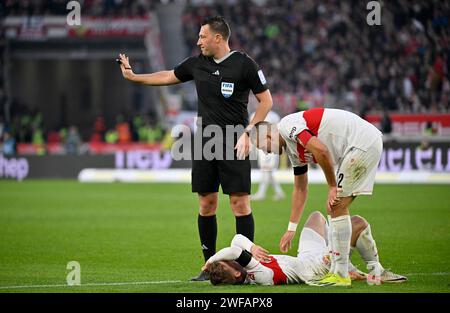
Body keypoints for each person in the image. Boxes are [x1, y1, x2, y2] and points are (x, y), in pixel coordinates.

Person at [118, 16, 273, 281]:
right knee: (206, 204)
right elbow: (168, 75)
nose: (198, 41)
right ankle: (209, 267)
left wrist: (249, 133)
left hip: (234, 139)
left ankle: (247, 269)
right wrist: (134, 77)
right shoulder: (196, 64)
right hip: (205, 142)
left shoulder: (245, 64)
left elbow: (266, 101)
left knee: (239, 203)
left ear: (218, 38)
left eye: (203, 36)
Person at [249, 108, 383, 286]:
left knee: (335, 205)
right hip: (362, 142)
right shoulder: (292, 148)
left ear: (269, 137)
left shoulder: (288, 126)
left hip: (361, 142)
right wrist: (291, 228)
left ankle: (341, 273)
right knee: (335, 207)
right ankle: (353, 269)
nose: (266, 153)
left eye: (262, 147)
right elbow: (300, 188)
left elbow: (322, 151)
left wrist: (332, 186)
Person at [204, 211, 407, 286]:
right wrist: (211, 259)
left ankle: (347, 264)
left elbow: (236, 239)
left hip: (305, 257)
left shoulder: (248, 268)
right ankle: (376, 272)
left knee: (316, 217)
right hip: (317, 267)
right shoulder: (259, 275)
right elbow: (235, 250)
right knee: (357, 223)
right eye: (229, 264)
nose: (231, 260)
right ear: (237, 276)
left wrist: (253, 246)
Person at [250, 110, 285, 201]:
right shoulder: (254, 115)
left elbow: (278, 130)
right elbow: (252, 131)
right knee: (266, 170)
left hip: (271, 146)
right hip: (260, 147)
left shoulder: (274, 116)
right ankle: (279, 192)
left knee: (267, 170)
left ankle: (261, 193)